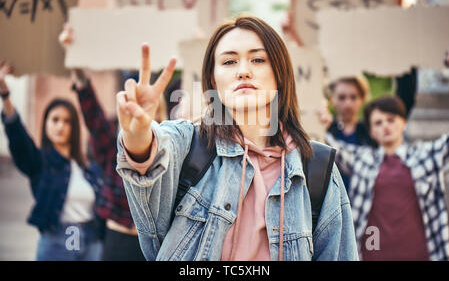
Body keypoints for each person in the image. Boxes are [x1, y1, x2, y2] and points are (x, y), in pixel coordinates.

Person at [115, 16, 358, 261]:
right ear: (212, 79)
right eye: (229, 61)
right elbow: (150, 152)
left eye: (258, 59)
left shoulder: (317, 168)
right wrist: (137, 134)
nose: (243, 71)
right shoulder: (188, 143)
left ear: (279, 74)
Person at [59, 24, 168, 260]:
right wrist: (75, 61)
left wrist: (199, 51)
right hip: (117, 241)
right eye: (138, 112)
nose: (146, 120)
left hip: (156, 247)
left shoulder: (173, 153)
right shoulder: (112, 147)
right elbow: (92, 113)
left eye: (154, 114)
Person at [0, 62, 105, 261]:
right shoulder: (40, 161)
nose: (60, 126)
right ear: (46, 123)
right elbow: (18, 137)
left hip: (91, 238)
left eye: (67, 121)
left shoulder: (87, 166)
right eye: (55, 119)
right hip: (58, 239)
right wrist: (5, 94)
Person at [325, 95, 449, 261]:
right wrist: (323, 123)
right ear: (372, 132)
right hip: (372, 254)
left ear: (403, 123)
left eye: (391, 120)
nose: (385, 126)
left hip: (422, 254)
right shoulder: (363, 159)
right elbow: (328, 147)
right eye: (378, 122)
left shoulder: (426, 155)